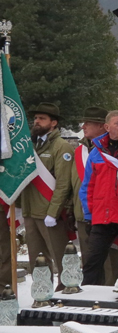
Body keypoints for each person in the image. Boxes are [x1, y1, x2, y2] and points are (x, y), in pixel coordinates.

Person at [80, 111, 118, 284]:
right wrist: (89, 215)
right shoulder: (96, 153)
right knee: (92, 260)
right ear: (107, 127)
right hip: (102, 215)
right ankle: (88, 292)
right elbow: (87, 187)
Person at [21, 102, 74, 281]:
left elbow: (63, 184)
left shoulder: (61, 147)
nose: (37, 121)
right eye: (36, 118)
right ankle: (42, 292)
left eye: (42, 118)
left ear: (54, 123)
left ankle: (67, 290)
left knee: (61, 259)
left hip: (50, 212)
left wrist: (53, 212)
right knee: (38, 263)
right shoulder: (31, 145)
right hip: (31, 211)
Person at [72, 107, 118, 284]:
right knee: (91, 261)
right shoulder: (81, 151)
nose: (83, 126)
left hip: (115, 214)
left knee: (113, 262)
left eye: (88, 123)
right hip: (89, 214)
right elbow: (78, 185)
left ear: (102, 126)